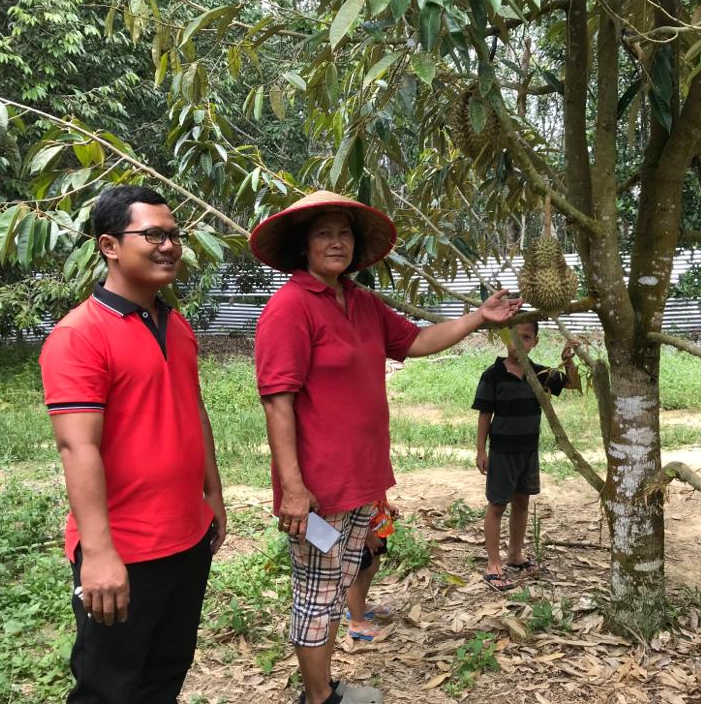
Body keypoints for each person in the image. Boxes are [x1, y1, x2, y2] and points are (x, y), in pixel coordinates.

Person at [250, 190, 521, 704]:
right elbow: (277, 402)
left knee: (336, 586)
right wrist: (293, 489)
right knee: (317, 594)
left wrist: (478, 318)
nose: (336, 242)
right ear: (304, 246)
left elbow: (415, 341)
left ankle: (324, 687)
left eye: (344, 233)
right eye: (324, 233)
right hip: (319, 490)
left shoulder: (362, 302)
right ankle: (317, 698)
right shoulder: (289, 308)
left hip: (361, 479)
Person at [39, 185, 226, 703]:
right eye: (153, 235)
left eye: (174, 236)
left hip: (187, 537)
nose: (169, 246)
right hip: (124, 549)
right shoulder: (80, 335)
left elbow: (194, 411)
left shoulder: (177, 325)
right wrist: (98, 553)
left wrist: (212, 494)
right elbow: (78, 448)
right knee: (109, 688)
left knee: (165, 673)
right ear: (110, 246)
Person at [471, 321, 580, 592]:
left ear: (535, 342)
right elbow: (485, 414)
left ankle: (515, 555)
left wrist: (568, 361)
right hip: (502, 453)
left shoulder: (540, 373)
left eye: (527, 337)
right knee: (497, 505)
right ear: (505, 338)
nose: (520, 343)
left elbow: (573, 384)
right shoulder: (493, 375)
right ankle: (493, 563)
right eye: (515, 337)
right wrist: (481, 450)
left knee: (522, 503)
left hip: (528, 451)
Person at [344, 499, 397, 642]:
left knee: (372, 565)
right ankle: (356, 622)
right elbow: (351, 506)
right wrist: (367, 535)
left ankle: (360, 606)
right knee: (357, 571)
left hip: (375, 521)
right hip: (359, 529)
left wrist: (386, 504)